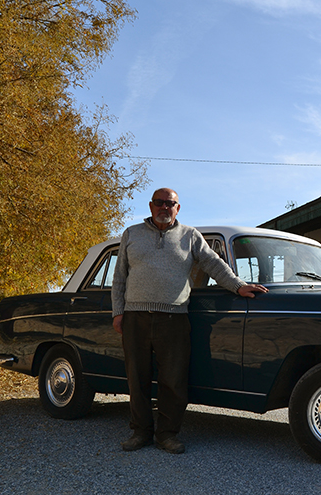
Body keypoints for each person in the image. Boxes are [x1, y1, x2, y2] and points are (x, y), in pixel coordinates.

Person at [111, 188, 268, 454]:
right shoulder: (131, 234)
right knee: (136, 379)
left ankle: (167, 435)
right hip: (135, 318)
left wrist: (238, 285)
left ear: (178, 208)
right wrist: (118, 312)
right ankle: (140, 432)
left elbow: (213, 263)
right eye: (159, 203)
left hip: (174, 317)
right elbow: (119, 277)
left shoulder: (190, 236)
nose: (164, 207)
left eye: (169, 203)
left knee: (173, 380)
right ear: (150, 206)